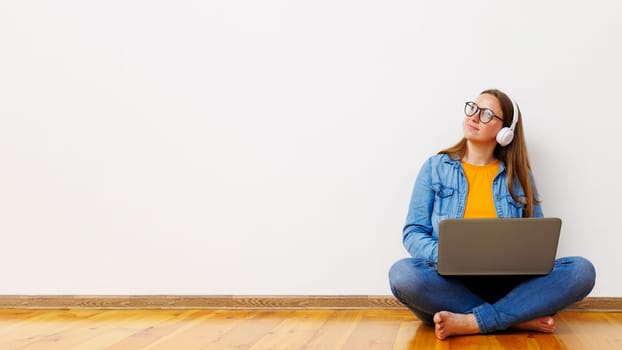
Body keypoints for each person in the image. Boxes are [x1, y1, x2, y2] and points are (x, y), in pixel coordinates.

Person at [388, 89, 596, 340]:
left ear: (505, 132)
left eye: (487, 114)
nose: (475, 117)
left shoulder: (518, 176)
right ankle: (514, 318)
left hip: (509, 286)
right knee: (402, 274)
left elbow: (537, 240)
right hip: (450, 286)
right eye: (473, 108)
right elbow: (413, 233)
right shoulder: (435, 167)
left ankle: (472, 320)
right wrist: (445, 255)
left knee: (581, 270)